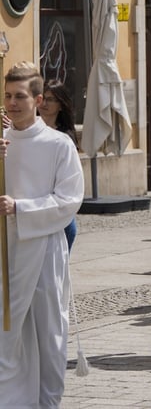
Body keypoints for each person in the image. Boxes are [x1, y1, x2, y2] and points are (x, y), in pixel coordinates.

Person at [0, 62, 84, 408]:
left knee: (49, 331)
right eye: (7, 96)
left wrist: (21, 207)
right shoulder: (2, 143)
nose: (12, 103)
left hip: (45, 247)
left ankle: (48, 401)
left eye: (20, 96)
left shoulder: (58, 144)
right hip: (6, 249)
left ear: (38, 100)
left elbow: (69, 200)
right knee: (7, 331)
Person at [38, 79, 79, 250]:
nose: (44, 103)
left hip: (57, 212)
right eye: (42, 98)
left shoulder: (64, 138)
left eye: (51, 99)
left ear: (61, 105)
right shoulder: (26, 130)